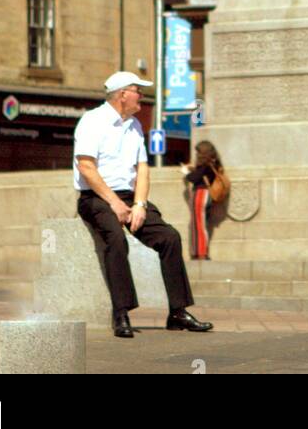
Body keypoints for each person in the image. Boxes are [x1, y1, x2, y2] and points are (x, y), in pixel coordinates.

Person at [73, 70, 214, 339]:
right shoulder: (92, 121)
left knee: (169, 237)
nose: (142, 95)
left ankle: (177, 312)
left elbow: (142, 169)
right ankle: (121, 313)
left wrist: (138, 204)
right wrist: (114, 204)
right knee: (116, 239)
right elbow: (87, 168)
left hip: (128, 197)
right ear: (122, 94)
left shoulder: (135, 125)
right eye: (138, 90)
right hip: (96, 197)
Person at [181, 140, 224, 262]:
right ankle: (198, 252)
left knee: (198, 225)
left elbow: (193, 178)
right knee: (200, 224)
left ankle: (201, 253)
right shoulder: (213, 163)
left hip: (201, 194)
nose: (196, 155)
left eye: (198, 152)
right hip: (206, 195)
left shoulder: (205, 166)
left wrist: (186, 172)